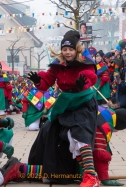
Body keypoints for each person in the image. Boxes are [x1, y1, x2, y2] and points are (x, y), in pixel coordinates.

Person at [27, 30, 99, 186]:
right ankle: (55, 171)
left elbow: (90, 75)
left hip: (83, 102)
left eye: (70, 49)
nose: (67, 53)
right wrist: (38, 80)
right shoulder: (58, 65)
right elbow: (47, 81)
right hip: (66, 102)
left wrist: (83, 82)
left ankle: (91, 176)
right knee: (51, 130)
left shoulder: (84, 62)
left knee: (79, 132)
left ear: (76, 50)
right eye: (65, 49)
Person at [93, 106, 126, 186]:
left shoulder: (105, 112)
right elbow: (99, 154)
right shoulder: (103, 126)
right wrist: (105, 178)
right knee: (103, 154)